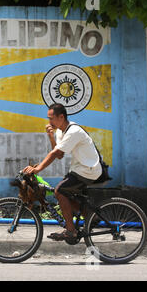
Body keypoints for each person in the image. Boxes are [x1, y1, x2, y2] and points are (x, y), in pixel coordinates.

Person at [22, 103, 102, 241]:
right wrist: (51, 136)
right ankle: (90, 215)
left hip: (89, 170)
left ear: (61, 116)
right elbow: (59, 154)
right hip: (79, 169)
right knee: (63, 194)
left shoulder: (73, 131)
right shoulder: (60, 131)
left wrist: (37, 169)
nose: (49, 122)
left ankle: (71, 231)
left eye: (52, 118)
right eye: (48, 118)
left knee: (59, 191)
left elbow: (56, 153)